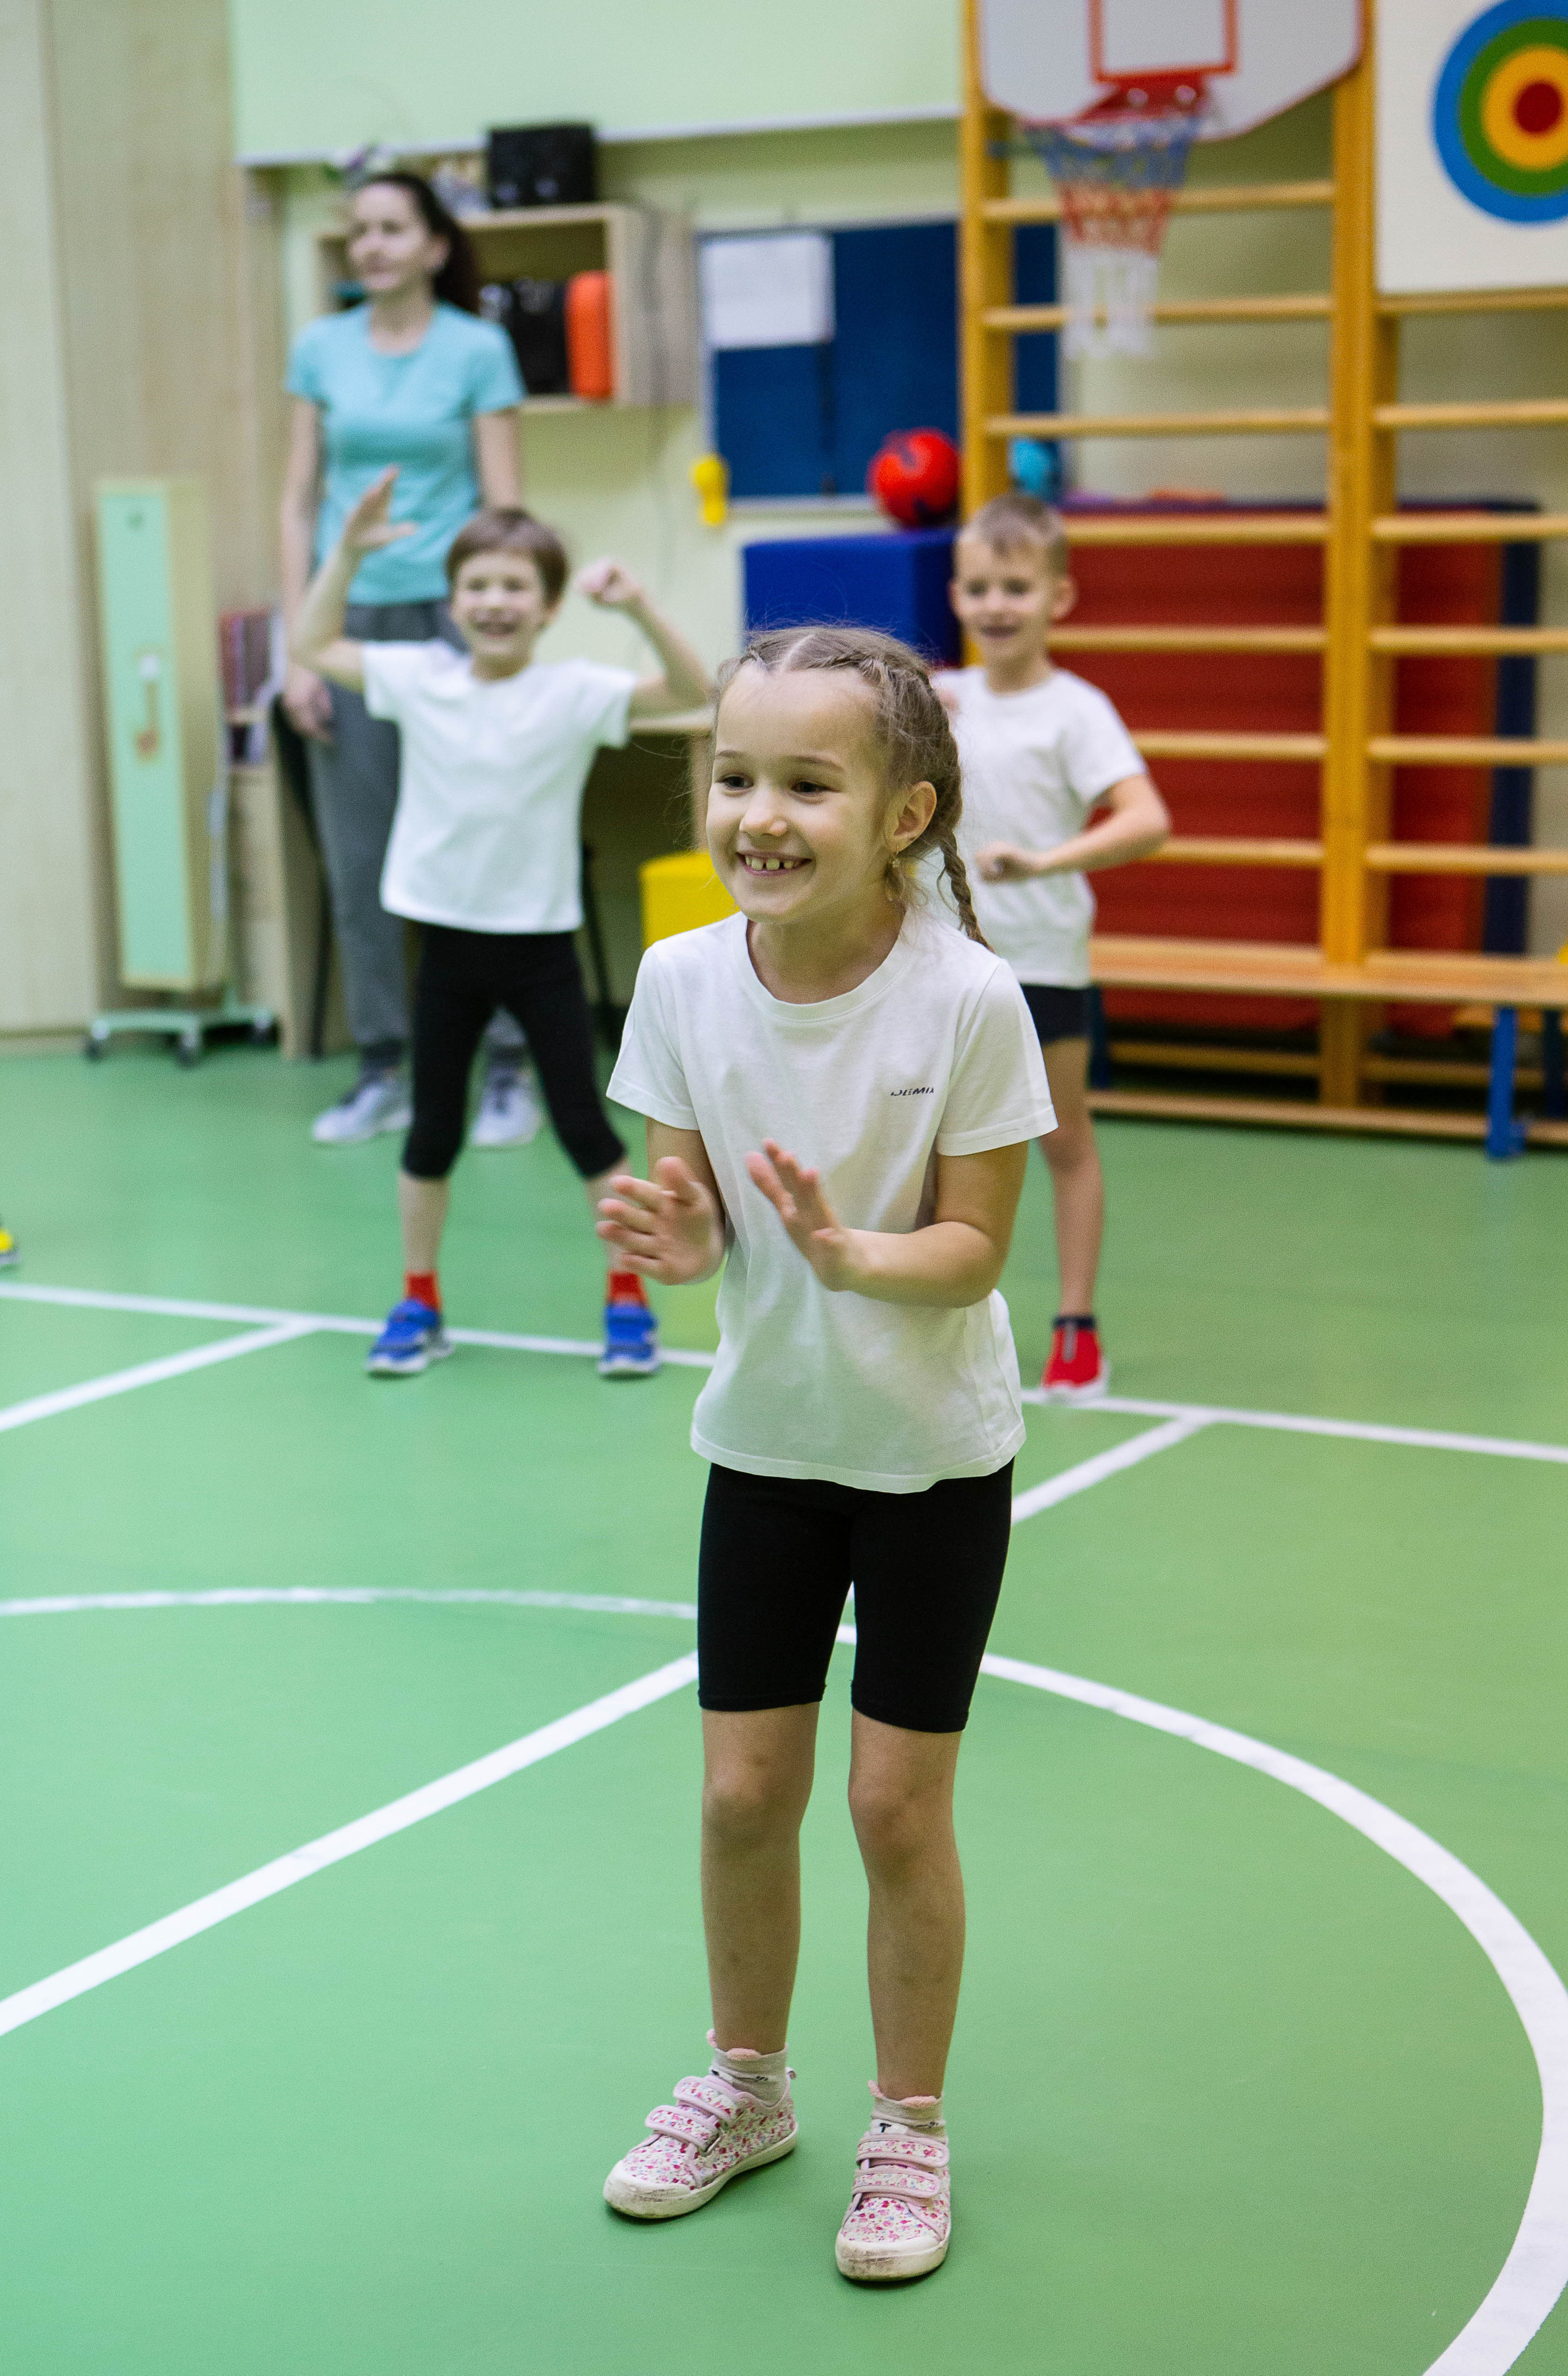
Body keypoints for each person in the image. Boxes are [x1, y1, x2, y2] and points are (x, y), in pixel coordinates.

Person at [596, 626, 1056, 2282]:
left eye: (807, 781)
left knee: (889, 1808)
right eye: (733, 777)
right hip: (771, 1441)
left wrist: (862, 1257)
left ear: (908, 813)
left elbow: (979, 1251)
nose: (758, 815)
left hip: (932, 1454)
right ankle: (747, 2089)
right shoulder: (680, 980)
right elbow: (694, 1218)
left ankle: (911, 2129)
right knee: (740, 1795)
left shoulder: (972, 1000)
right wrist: (664, 1233)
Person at [290, 471, 712, 1379]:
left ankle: (627, 1302)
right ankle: (419, 1298)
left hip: (541, 953)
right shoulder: (418, 678)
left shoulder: (574, 693)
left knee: (586, 1134)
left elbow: (689, 686)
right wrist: (351, 553)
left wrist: (638, 605)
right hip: (445, 949)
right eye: (478, 585)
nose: (494, 601)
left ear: (549, 606)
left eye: (515, 586)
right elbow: (311, 641)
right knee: (430, 1135)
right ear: (452, 601)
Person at [281, 168, 540, 1150]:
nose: (372, 246)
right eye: (360, 231)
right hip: (346, 618)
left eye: (392, 229)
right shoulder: (319, 349)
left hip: (454, 617)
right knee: (361, 854)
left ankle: (509, 1065)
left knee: (482, 834)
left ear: (435, 245)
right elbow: (297, 502)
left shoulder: (478, 350)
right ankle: (383, 1065)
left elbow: (505, 508)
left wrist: (504, 630)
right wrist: (297, 650)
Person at [941, 492, 1170, 1401]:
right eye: (979, 587)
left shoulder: (1079, 710)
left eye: (1016, 587)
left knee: (1062, 1141)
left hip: (1043, 960)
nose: (997, 605)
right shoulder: (941, 700)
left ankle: (1075, 1325)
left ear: (1058, 598)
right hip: (948, 961)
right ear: (957, 595)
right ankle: (934, 1309)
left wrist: (1043, 861)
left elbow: (1148, 820)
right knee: (931, 1140)